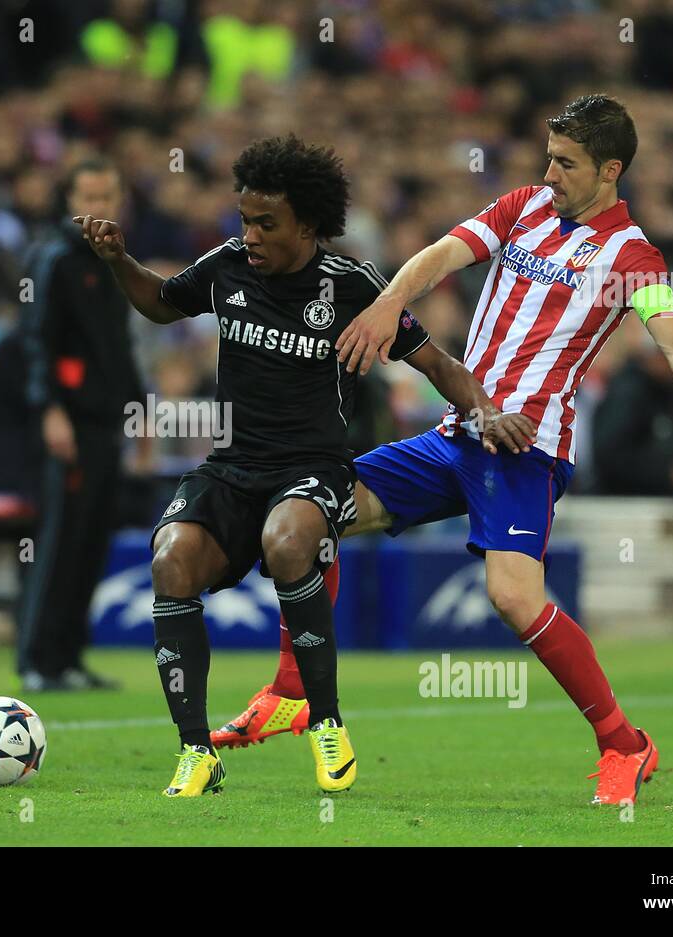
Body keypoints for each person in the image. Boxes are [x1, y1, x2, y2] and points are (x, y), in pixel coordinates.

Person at [212, 95, 673, 807]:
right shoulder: (522, 206)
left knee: (512, 598)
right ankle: (290, 691)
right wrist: (384, 303)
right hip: (457, 433)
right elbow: (438, 257)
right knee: (309, 511)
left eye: (567, 162)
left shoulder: (631, 256)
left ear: (611, 169)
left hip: (525, 450)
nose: (549, 172)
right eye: (548, 156)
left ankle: (624, 742)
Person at [75, 134, 535, 797]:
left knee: (289, 541)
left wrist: (486, 412)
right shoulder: (227, 266)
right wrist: (120, 261)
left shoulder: (351, 286)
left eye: (267, 223)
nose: (252, 235)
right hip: (232, 466)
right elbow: (161, 301)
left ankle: (326, 723)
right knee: (170, 558)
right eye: (245, 220)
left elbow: (438, 364)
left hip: (314, 468)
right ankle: (196, 751)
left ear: (309, 225)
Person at [16, 158, 146, 693]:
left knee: (92, 540)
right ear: (69, 201)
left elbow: (119, 349)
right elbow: (33, 339)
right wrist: (49, 408)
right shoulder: (53, 259)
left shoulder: (115, 263)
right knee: (59, 541)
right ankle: (36, 659)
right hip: (67, 421)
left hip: (105, 423)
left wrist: (139, 411)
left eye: (108, 196)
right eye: (89, 196)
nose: (99, 207)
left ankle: (68, 657)